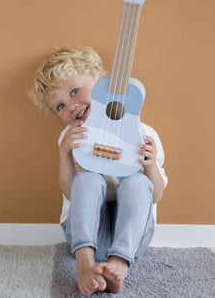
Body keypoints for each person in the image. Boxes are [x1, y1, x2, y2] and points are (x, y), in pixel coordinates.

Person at [29, 46, 168, 296]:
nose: (70, 106)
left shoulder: (143, 134)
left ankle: (119, 264)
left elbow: (155, 195)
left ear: (102, 81)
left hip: (131, 237)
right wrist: (64, 154)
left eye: (74, 91)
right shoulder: (71, 138)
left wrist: (149, 165)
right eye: (60, 106)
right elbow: (71, 193)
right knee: (87, 178)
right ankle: (84, 262)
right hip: (86, 233)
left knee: (137, 183)